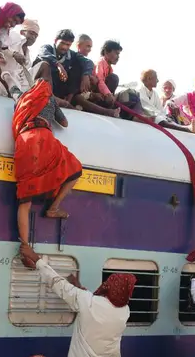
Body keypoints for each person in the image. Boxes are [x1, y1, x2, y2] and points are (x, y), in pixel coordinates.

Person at [12, 65, 82, 246]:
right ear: (50, 83)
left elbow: (13, 94)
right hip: (43, 138)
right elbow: (64, 123)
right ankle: (53, 208)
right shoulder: (49, 97)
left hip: (24, 139)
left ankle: (25, 245)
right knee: (75, 169)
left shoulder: (24, 97)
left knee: (25, 198)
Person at [0, 18, 40, 96]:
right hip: (2, 82)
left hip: (16, 92)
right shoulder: (13, 37)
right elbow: (0, 47)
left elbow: (23, 77)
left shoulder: (28, 55)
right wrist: (13, 53)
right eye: (31, 33)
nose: (33, 37)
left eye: (36, 36)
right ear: (22, 32)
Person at [33, 29, 91, 103]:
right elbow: (43, 53)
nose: (64, 47)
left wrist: (86, 75)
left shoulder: (71, 54)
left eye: (68, 45)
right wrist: (58, 64)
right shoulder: (47, 48)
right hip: (40, 84)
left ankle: (69, 98)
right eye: (62, 43)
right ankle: (49, 96)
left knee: (79, 66)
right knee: (44, 64)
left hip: (58, 87)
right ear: (55, 40)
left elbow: (88, 62)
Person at [94, 40, 122, 106]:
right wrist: (108, 94)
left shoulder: (109, 68)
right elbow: (100, 81)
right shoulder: (100, 63)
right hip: (94, 92)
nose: (118, 57)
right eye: (116, 53)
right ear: (106, 52)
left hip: (102, 92)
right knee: (114, 78)